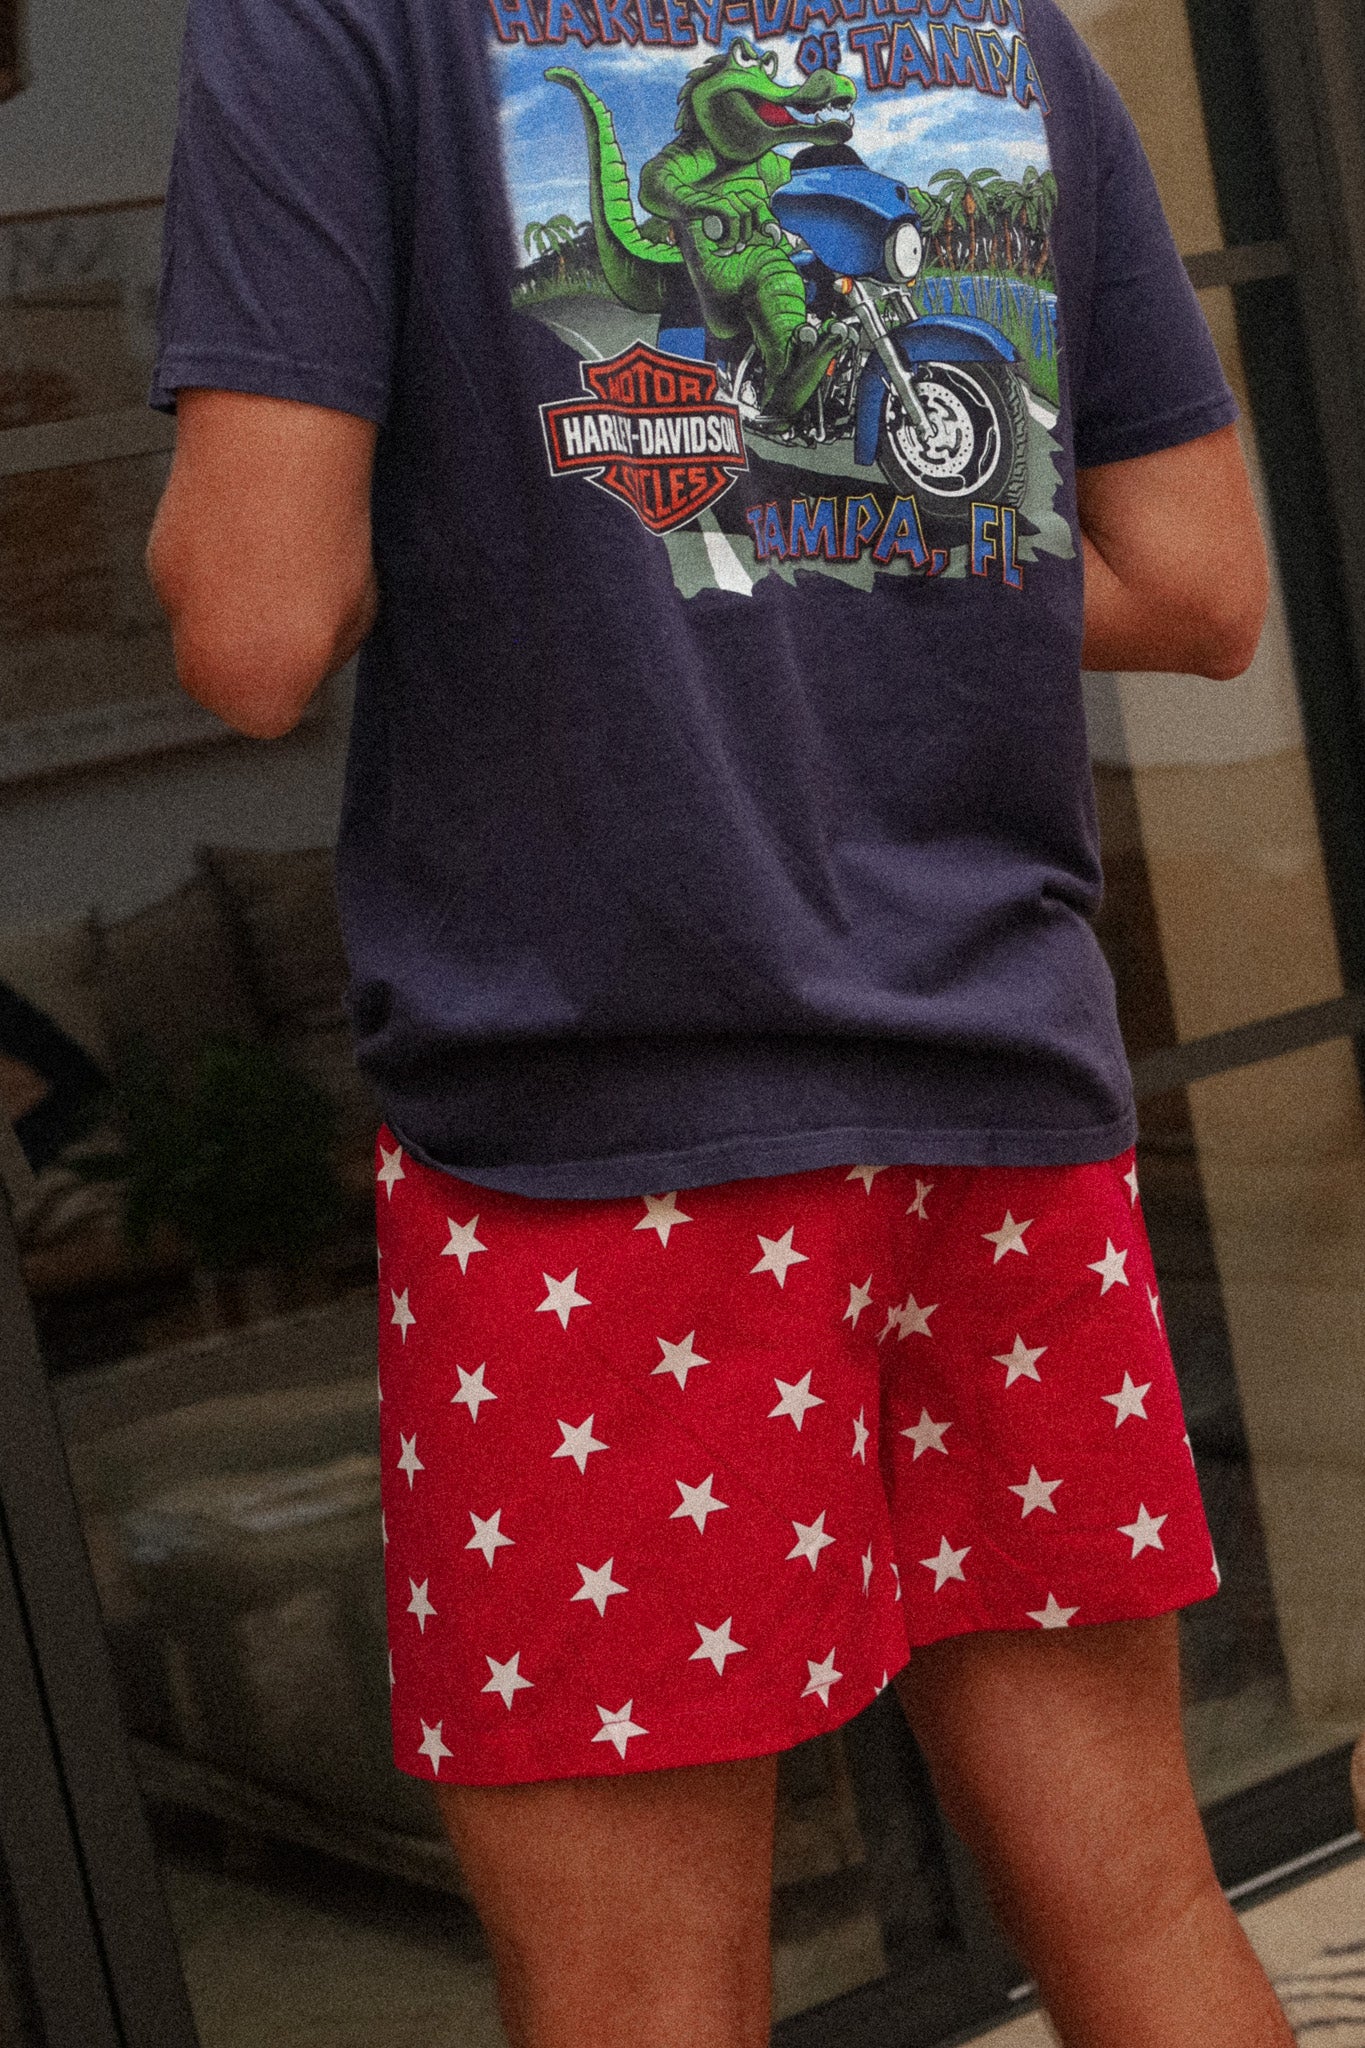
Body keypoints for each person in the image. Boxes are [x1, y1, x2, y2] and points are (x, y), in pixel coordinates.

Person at [143, 0, 1292, 2042]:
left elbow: (249, 626)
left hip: (603, 1148)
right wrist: (845, 546)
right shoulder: (996, 30)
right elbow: (1198, 586)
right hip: (997, 1095)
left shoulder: (326, 26)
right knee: (1136, 1910)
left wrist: (573, 545)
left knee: (639, 2005)